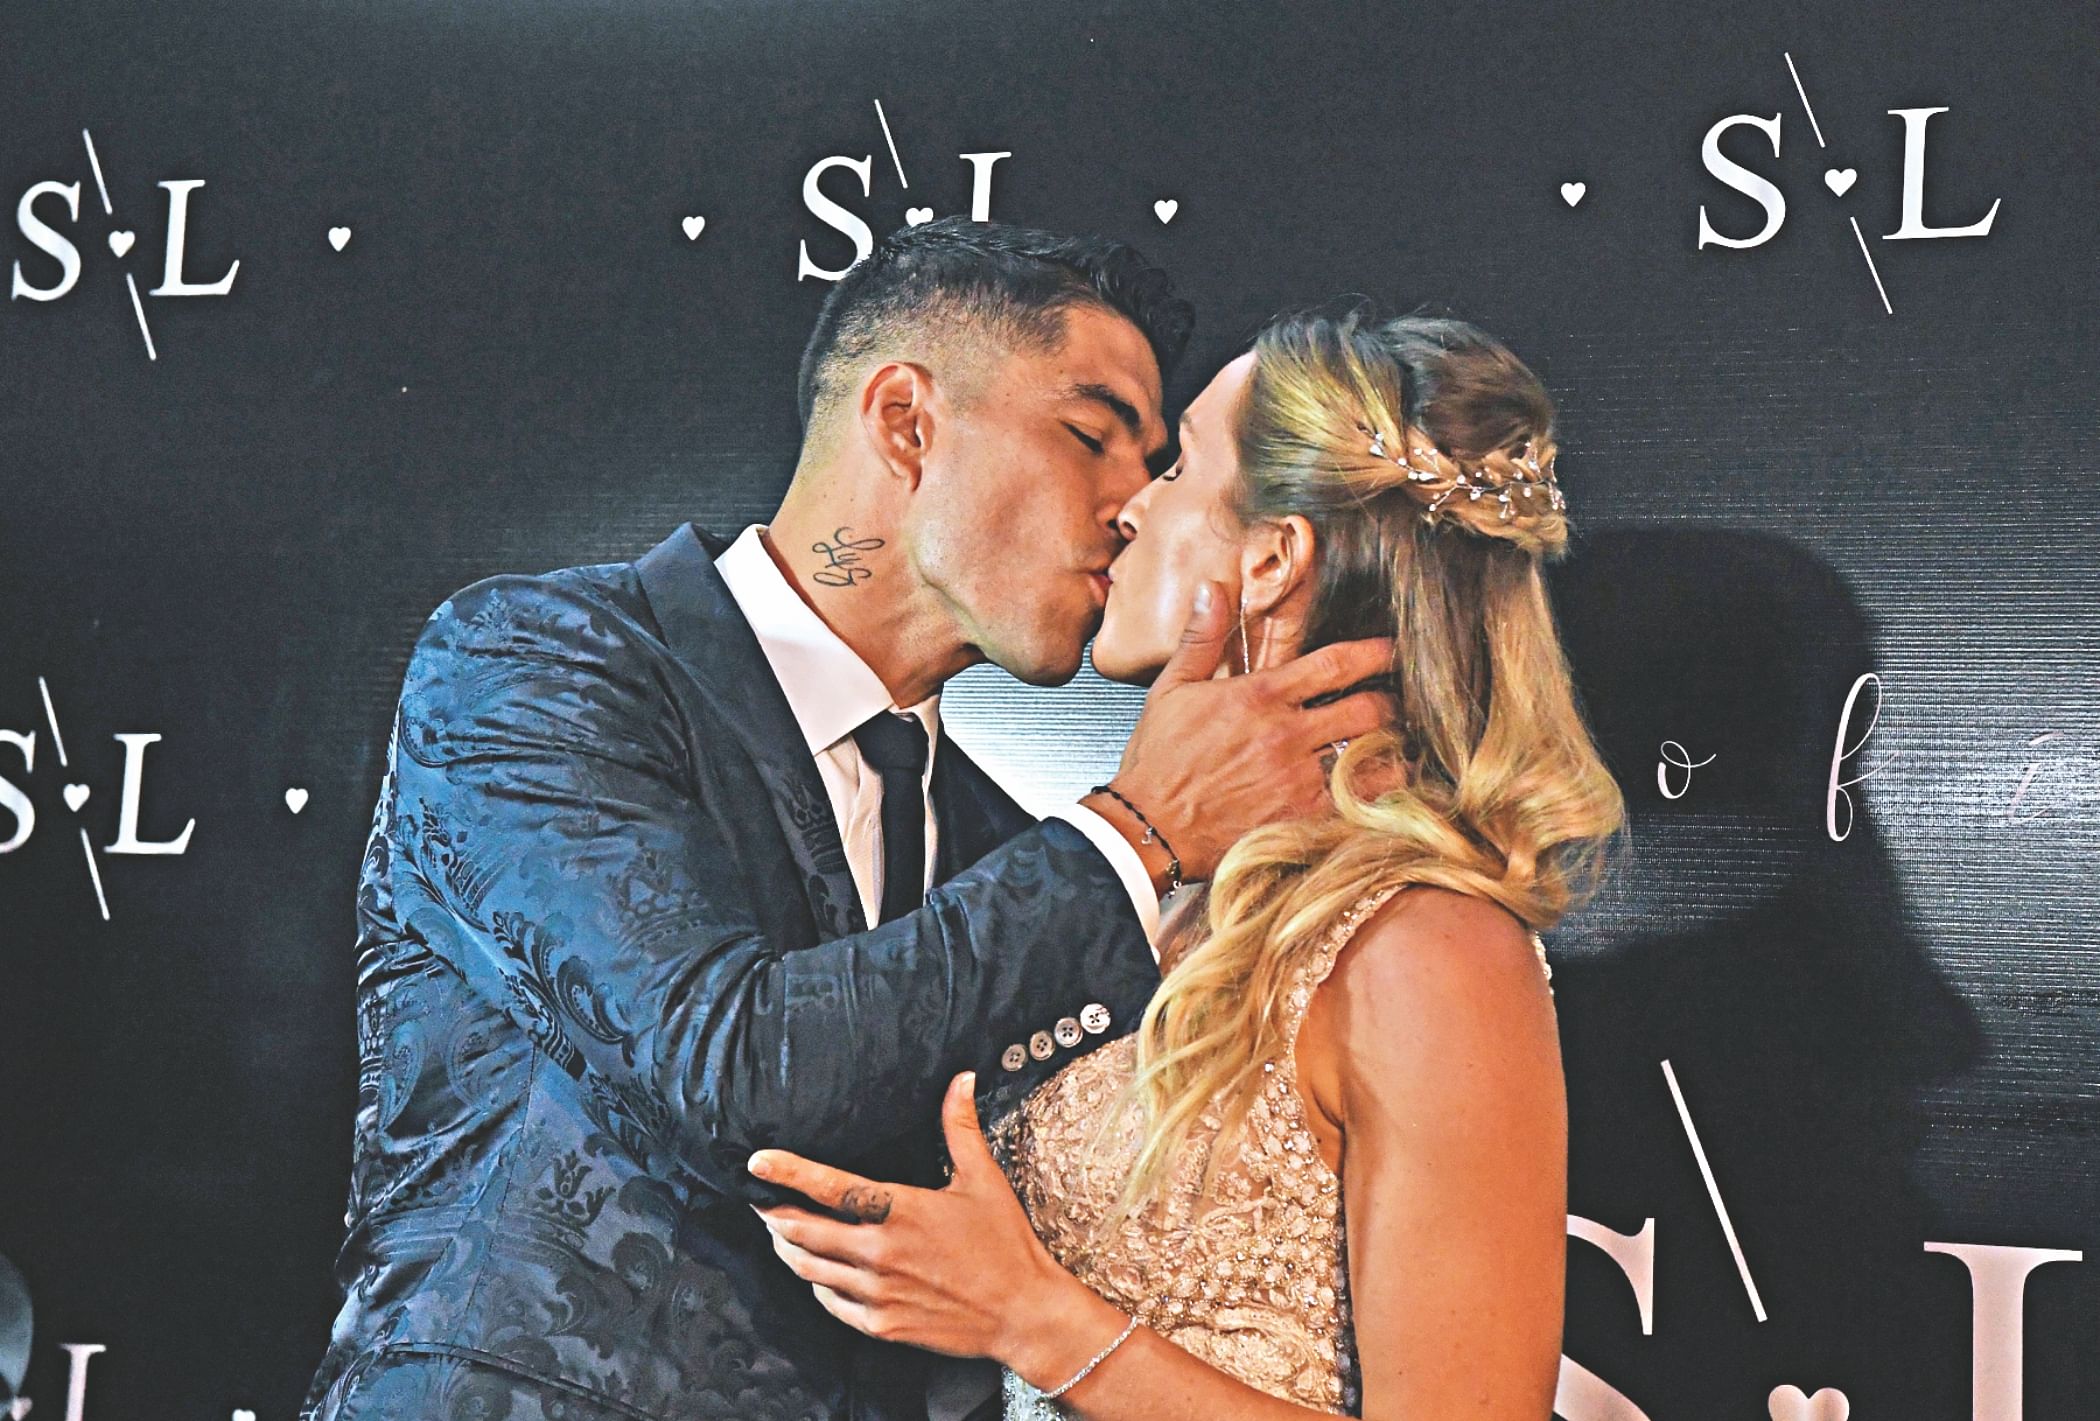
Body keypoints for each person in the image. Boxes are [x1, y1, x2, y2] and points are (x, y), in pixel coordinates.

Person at [296, 222, 1397, 1421]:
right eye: (1092, 436)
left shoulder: (1003, 847)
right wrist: (1136, 829)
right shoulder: (532, 665)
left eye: (1156, 463)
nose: (1132, 504)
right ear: (906, 421)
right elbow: (732, 1075)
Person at [747, 308, 1629, 1419]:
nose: (1129, 505)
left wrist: (1031, 1317)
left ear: (1271, 558)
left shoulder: (1429, 946)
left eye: (1175, 468)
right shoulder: (1150, 893)